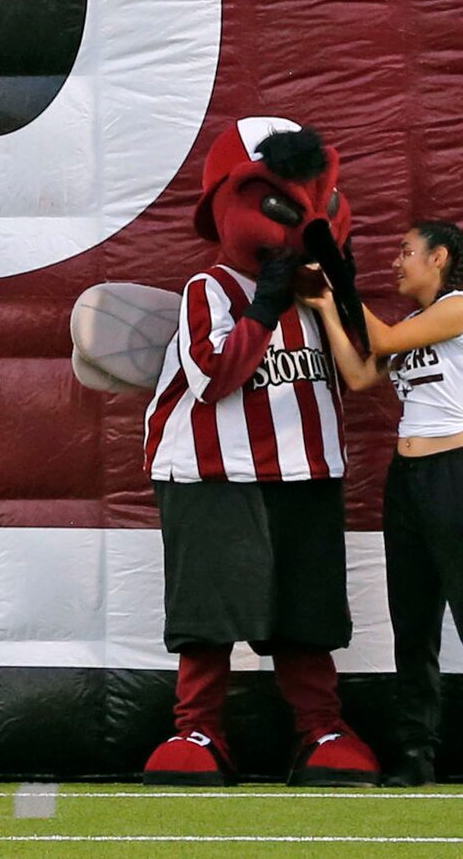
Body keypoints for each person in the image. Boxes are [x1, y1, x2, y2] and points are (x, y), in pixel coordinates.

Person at [142, 116, 381, 787]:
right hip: (211, 475)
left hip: (307, 470)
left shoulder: (319, 297)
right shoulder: (209, 290)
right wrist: (269, 303)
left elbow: (365, 368)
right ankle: (198, 728)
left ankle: (321, 728)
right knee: (208, 612)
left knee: (307, 612)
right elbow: (215, 374)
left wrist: (340, 289)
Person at [314, 219, 463, 790]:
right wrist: (323, 306)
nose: (397, 261)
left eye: (406, 251)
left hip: (458, 478)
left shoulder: (461, 308)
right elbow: (364, 374)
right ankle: (417, 753)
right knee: (413, 627)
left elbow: (381, 341)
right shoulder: (413, 324)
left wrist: (341, 279)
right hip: (409, 481)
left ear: (439, 258)